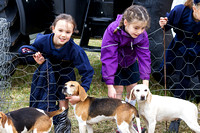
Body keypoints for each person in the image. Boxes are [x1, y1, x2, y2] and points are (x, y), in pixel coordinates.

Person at [18, 13, 94, 133]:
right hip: (46, 76)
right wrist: (36, 58)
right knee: (45, 100)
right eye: (60, 30)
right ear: (53, 29)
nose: (63, 35)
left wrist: (81, 94)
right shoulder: (42, 41)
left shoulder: (75, 50)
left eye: (68, 32)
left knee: (63, 101)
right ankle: (41, 121)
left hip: (65, 78)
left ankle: (62, 123)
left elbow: (88, 72)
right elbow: (25, 52)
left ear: (73, 32)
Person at [101, 5, 151, 132]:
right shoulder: (113, 30)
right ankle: (120, 125)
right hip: (115, 63)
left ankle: (129, 121)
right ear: (126, 22)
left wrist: (145, 81)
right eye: (136, 28)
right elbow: (109, 57)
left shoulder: (142, 34)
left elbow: (144, 56)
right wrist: (109, 84)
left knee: (133, 90)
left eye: (143, 28)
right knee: (117, 91)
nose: (139, 31)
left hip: (130, 61)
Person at [159, 0, 200, 132]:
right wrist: (164, 23)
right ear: (194, 8)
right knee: (182, 82)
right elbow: (167, 25)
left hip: (199, 49)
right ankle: (175, 119)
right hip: (182, 49)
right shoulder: (180, 11)